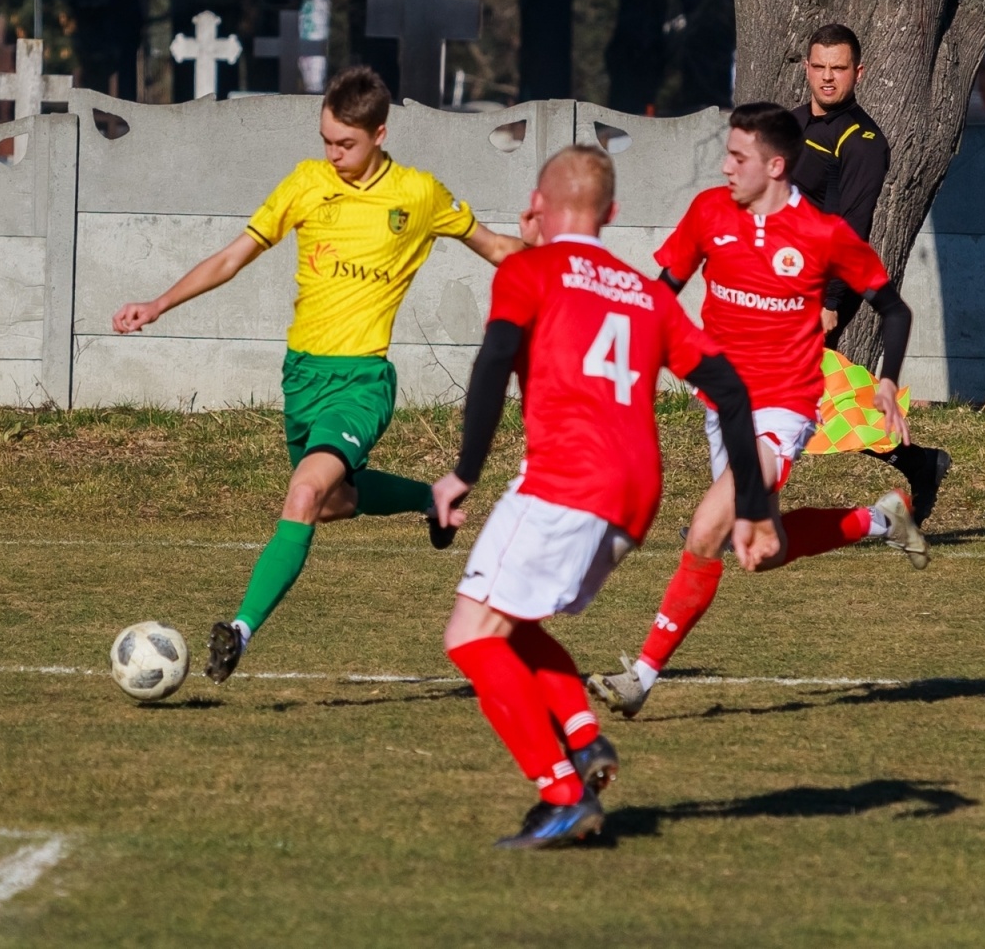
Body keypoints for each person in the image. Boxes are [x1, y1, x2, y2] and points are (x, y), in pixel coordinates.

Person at [111, 65, 523, 683]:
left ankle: (240, 632)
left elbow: (497, 249)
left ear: (379, 133)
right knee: (332, 503)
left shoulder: (418, 195)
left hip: (361, 383)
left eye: (345, 144)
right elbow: (233, 256)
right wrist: (158, 303)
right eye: (326, 140)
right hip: (301, 380)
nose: (332, 154)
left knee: (302, 496)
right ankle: (431, 500)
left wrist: (574, 257)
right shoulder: (307, 182)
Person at [431, 145, 773, 849]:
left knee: (469, 636)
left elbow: (495, 361)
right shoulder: (646, 293)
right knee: (515, 620)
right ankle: (584, 742)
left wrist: (463, 469)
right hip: (636, 493)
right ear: (611, 214)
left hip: (565, 477)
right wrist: (755, 507)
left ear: (538, 203)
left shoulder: (530, 268)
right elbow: (733, 392)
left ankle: (562, 793)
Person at [588, 102, 926, 720]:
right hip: (722, 404)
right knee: (760, 551)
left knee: (707, 529)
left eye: (738, 157)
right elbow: (661, 294)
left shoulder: (823, 235)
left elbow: (894, 310)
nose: (724, 166)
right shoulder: (709, 214)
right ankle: (882, 520)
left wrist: (886, 380)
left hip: (782, 410)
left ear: (775, 165)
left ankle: (640, 676)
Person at [792, 23, 952, 525]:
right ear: (806, 68)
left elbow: (852, 230)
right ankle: (919, 462)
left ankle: (734, 517)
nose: (827, 78)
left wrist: (832, 301)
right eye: (819, 66)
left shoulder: (862, 142)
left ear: (857, 72)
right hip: (780, 283)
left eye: (838, 68)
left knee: (773, 401)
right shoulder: (792, 124)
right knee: (810, 402)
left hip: (821, 290)